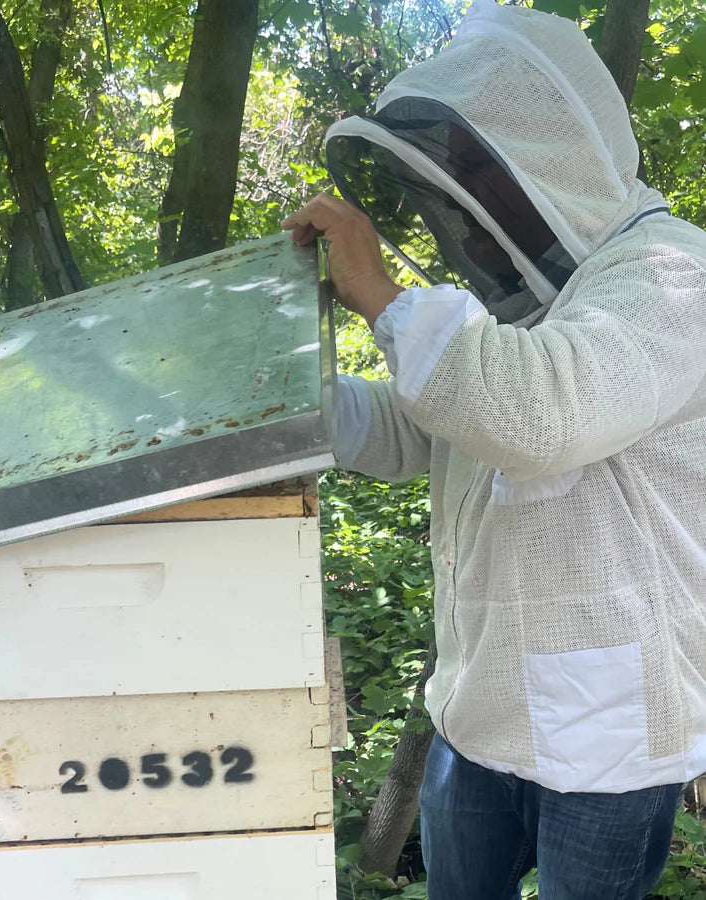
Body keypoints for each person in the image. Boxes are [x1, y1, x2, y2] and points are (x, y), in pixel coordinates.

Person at [282, 1, 706, 898]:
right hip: (476, 710)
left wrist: (383, 298)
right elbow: (426, 428)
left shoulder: (673, 273)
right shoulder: (530, 299)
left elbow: (544, 414)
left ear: (550, 150)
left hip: (610, 739)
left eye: (474, 164)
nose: (455, 191)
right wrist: (286, 403)